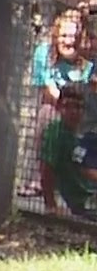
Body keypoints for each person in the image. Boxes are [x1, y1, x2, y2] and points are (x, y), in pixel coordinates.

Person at [39, 85, 97, 219]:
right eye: (67, 106)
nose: (73, 112)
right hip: (81, 203)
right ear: (59, 107)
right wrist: (51, 204)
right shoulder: (56, 133)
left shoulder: (85, 132)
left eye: (78, 107)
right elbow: (46, 169)